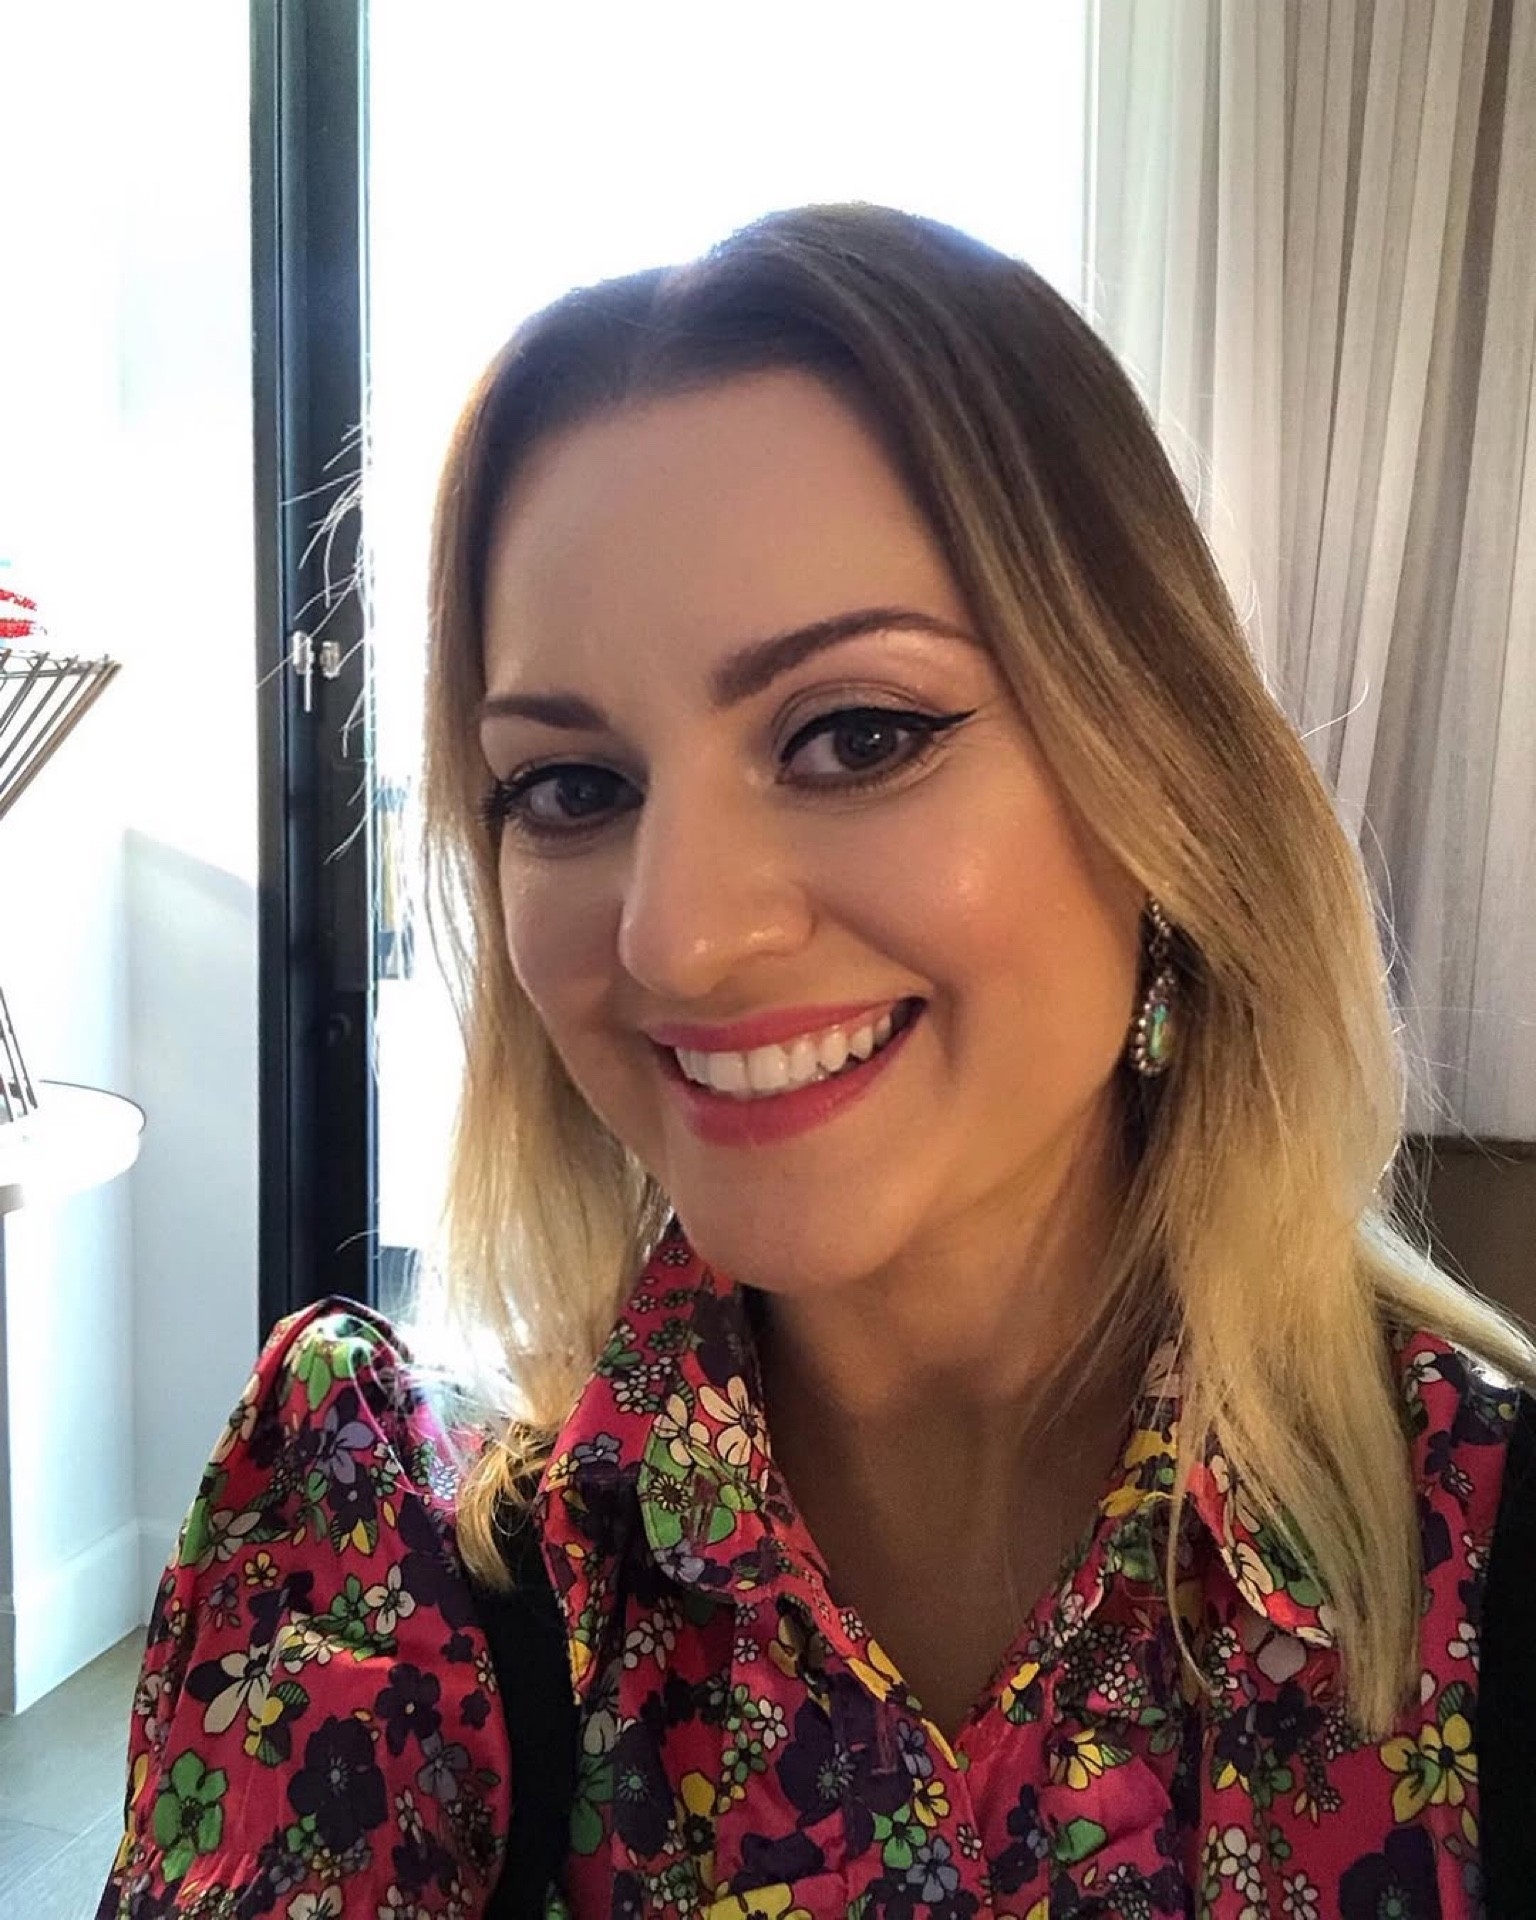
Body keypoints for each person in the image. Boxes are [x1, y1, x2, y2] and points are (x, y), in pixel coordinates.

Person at [98, 203, 1536, 1920]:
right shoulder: (391, 1570)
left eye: (858, 735)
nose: (679, 939)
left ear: (1167, 784)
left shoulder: (1481, 1560)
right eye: (572, 786)